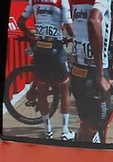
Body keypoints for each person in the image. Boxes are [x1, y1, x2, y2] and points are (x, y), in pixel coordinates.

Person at [24, 0, 75, 140]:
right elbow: (70, 30)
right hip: (55, 47)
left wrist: (31, 34)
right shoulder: (62, 1)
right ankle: (65, 131)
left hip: (40, 48)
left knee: (42, 90)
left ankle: (48, 130)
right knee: (65, 88)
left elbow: (21, 22)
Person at [70, 1, 113, 143]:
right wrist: (100, 75)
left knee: (85, 122)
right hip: (94, 72)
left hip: (77, 70)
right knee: (100, 125)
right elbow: (94, 21)